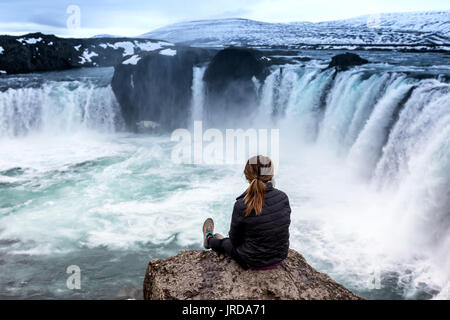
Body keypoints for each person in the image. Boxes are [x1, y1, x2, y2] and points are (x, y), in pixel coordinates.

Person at [202, 155, 291, 270]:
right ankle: (219, 238)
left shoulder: (242, 204)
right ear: (271, 174)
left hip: (252, 261)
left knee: (225, 243)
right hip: (279, 257)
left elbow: (235, 241)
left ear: (247, 176)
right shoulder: (283, 197)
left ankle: (209, 238)